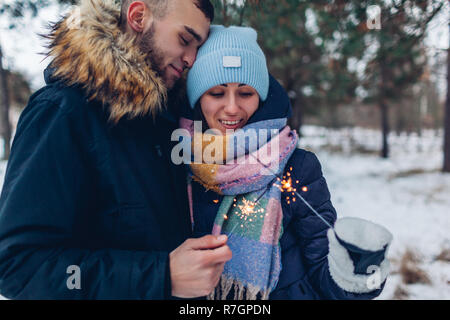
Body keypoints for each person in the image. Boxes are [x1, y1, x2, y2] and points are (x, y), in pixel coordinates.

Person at [0, 0, 233, 299]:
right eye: (185, 40)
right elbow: (21, 267)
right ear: (138, 16)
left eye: (198, 47)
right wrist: (160, 275)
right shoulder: (63, 113)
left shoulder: (166, 120)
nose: (190, 59)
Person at [181, 25, 393, 300]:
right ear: (197, 100)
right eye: (217, 93)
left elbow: (325, 272)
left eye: (245, 93)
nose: (232, 108)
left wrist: (361, 269)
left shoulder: (297, 167)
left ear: (261, 96)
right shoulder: (175, 165)